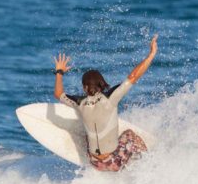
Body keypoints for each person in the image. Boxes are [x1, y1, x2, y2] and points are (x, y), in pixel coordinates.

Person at [53, 34, 158, 172]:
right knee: (130, 135)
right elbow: (133, 76)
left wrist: (59, 72)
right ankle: (150, 165)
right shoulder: (111, 98)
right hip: (114, 162)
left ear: (84, 87)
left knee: (86, 134)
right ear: (102, 84)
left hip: (94, 162)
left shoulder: (79, 103)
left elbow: (58, 94)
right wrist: (151, 54)